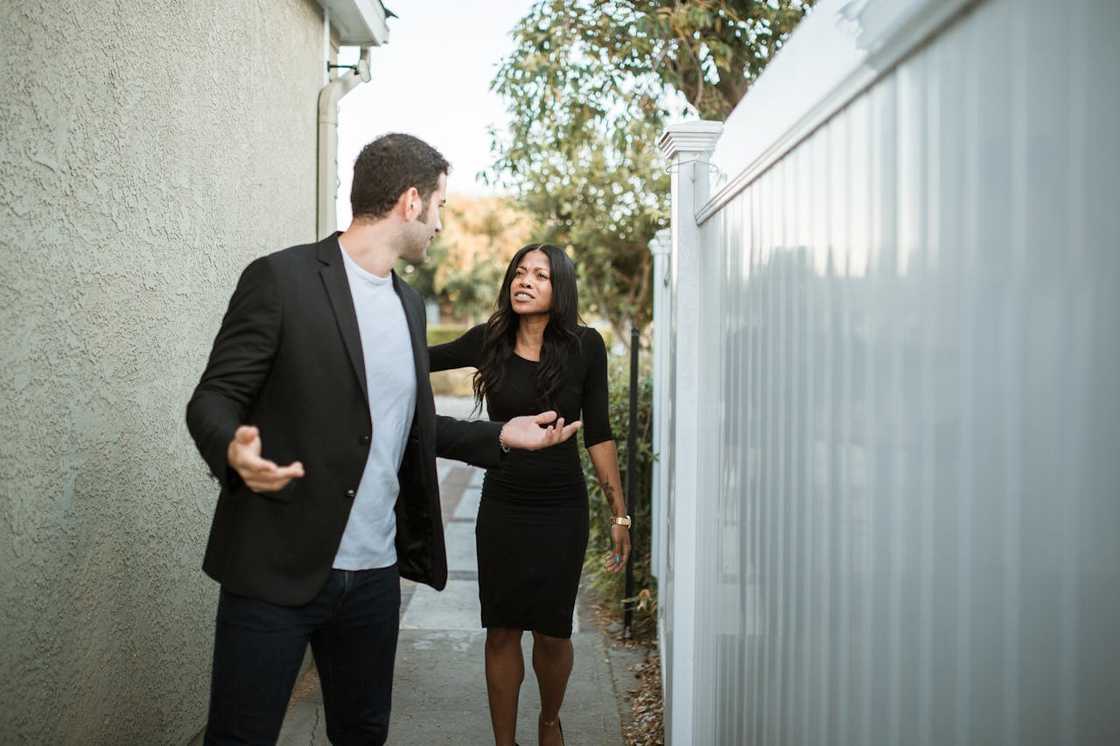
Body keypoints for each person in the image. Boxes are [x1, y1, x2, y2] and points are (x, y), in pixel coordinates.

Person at [185, 134, 581, 746]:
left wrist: (502, 435)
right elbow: (212, 398)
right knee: (241, 736)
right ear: (411, 201)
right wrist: (233, 453)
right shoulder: (280, 280)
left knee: (364, 733)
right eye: (442, 208)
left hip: (373, 576)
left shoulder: (409, 305)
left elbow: (412, 428)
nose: (443, 226)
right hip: (275, 568)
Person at [428, 243, 632, 746]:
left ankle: (548, 720)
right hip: (503, 504)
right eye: (520, 272)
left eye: (540, 275)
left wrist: (620, 514)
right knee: (501, 628)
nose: (525, 281)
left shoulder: (586, 345)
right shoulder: (490, 340)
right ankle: (504, 742)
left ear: (559, 288)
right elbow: (418, 359)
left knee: (552, 631)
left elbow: (599, 433)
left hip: (561, 508)